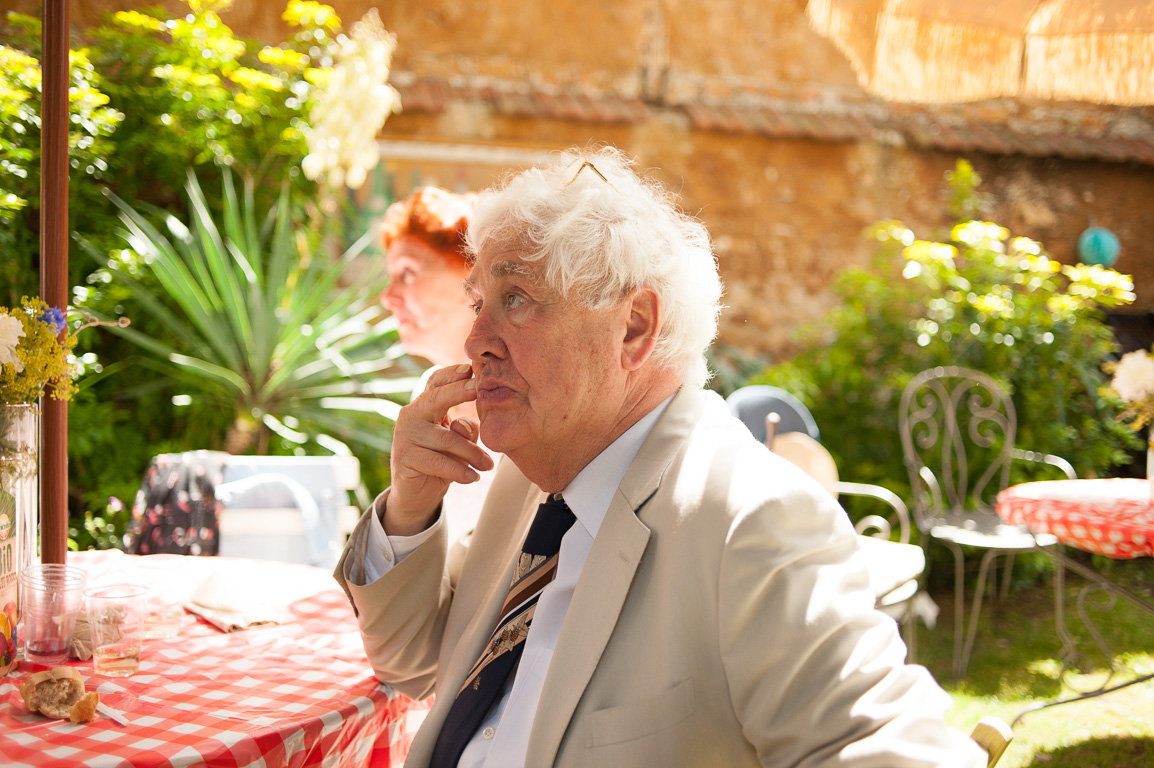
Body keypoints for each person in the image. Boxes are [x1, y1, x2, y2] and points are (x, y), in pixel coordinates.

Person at [336, 146, 985, 767]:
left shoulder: (751, 517)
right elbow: (412, 664)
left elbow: (888, 747)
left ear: (635, 327)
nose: (476, 338)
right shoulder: (531, 482)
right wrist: (411, 503)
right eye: (478, 303)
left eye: (516, 299)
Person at [379, 186, 491, 547]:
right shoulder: (429, 392)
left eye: (408, 272)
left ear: (471, 274)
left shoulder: (532, 391)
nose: (387, 296)